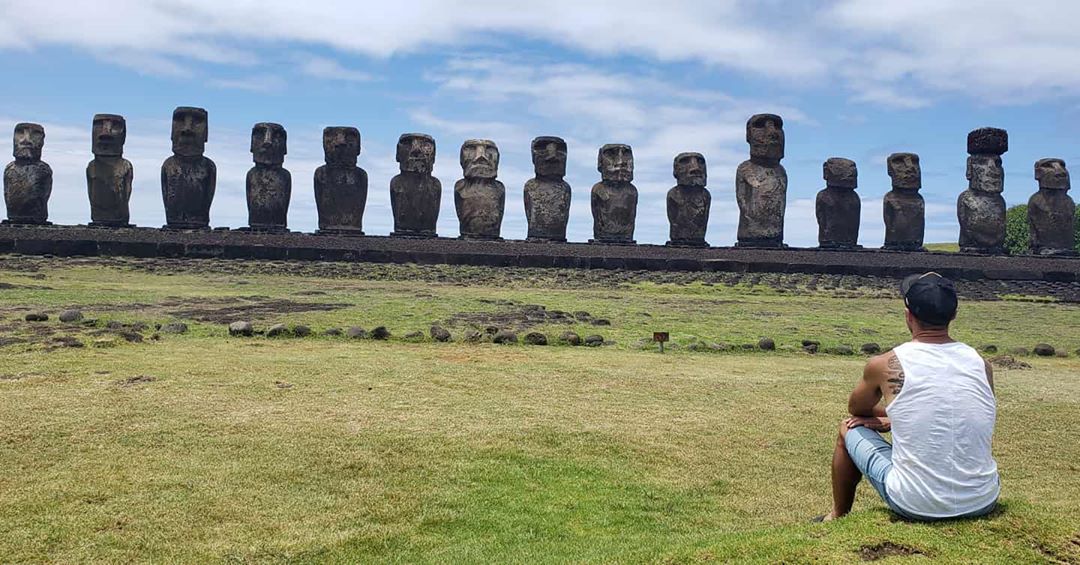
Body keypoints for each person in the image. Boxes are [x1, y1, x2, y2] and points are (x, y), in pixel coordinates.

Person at [817, 272, 999, 522]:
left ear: (908, 315)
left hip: (916, 503)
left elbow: (856, 408)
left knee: (847, 428)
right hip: (984, 499)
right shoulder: (981, 363)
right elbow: (960, 410)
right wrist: (895, 419)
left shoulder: (885, 364)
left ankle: (838, 514)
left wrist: (890, 417)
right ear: (954, 315)